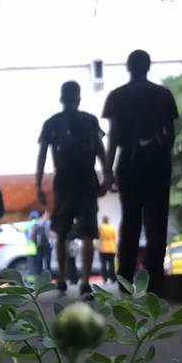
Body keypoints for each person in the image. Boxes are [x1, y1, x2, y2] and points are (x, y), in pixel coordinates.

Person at [102, 50, 179, 295]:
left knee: (130, 220)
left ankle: (125, 281)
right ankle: (155, 282)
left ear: (128, 67)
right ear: (148, 66)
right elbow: (170, 133)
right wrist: (164, 156)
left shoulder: (117, 96)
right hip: (157, 161)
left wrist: (108, 170)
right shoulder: (163, 94)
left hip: (129, 161)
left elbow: (114, 136)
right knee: (156, 221)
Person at [36, 81, 111, 299]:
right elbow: (100, 148)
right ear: (78, 99)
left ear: (62, 99)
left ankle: (61, 279)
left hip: (63, 182)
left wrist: (38, 184)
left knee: (61, 232)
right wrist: (107, 175)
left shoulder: (52, 123)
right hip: (87, 180)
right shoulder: (90, 120)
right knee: (88, 234)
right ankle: (85, 282)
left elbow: (42, 155)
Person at [29, 210, 53, 279]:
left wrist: (34, 241)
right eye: (46, 214)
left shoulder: (35, 223)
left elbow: (30, 234)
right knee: (47, 263)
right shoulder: (48, 222)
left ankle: (39, 278)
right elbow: (50, 233)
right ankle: (48, 278)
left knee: (39, 263)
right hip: (47, 244)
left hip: (38, 245)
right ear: (43, 215)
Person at [98, 215, 117, 284]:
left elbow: (98, 236)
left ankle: (105, 279)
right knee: (112, 265)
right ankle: (113, 279)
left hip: (103, 248)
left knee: (103, 265)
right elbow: (114, 238)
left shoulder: (101, 228)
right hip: (112, 248)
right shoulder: (112, 228)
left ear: (103, 221)